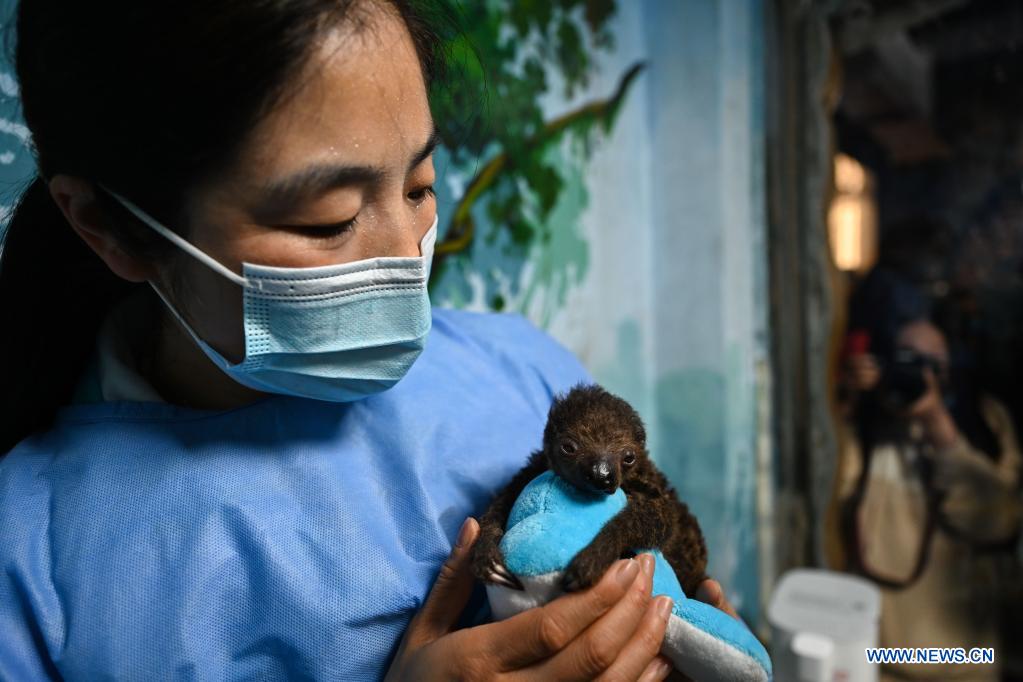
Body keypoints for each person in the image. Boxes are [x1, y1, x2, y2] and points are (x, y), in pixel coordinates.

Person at [0, 1, 741, 679]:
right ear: (104, 226)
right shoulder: (32, 562)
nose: (403, 254)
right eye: (328, 219)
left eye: (419, 185)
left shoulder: (526, 374)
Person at [829, 271, 1022, 681]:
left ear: (953, 370)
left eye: (931, 365)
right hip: (886, 665)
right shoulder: (870, 434)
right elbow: (830, 492)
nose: (917, 376)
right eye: (905, 361)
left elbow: (999, 519)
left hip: (970, 665)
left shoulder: (985, 424)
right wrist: (850, 402)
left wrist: (938, 422)